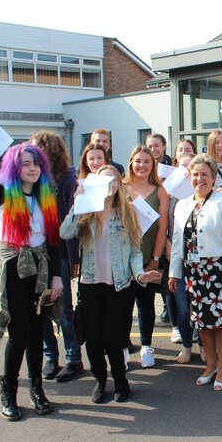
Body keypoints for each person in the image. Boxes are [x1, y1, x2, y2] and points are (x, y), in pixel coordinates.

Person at [0, 119, 63, 421]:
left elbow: (53, 241)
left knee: (39, 333)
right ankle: (8, 392)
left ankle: (37, 390)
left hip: (40, 270)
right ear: (14, 168)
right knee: (20, 334)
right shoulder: (2, 195)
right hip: (12, 270)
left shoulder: (45, 197)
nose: (32, 168)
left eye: (35, 164)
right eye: (25, 164)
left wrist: (58, 278)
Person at [60, 165, 160, 403]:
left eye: (113, 181)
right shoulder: (86, 212)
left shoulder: (128, 213)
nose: (109, 186)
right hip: (91, 285)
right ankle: (100, 380)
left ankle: (120, 380)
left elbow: (135, 252)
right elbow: (65, 233)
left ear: (119, 185)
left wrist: (139, 274)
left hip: (120, 286)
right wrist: (77, 203)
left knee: (113, 339)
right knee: (93, 340)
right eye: (103, 181)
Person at [168, 154, 222, 390]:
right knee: (201, 321)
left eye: (205, 175)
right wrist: (174, 273)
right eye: (196, 174)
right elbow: (178, 239)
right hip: (194, 271)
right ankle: (209, 364)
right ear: (190, 177)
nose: (200, 179)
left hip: (218, 270)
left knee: (221, 321)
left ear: (213, 177)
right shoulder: (182, 204)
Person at [31, 131, 84, 383]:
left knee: (64, 309)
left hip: (60, 252)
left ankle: (74, 359)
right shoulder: (33, 180)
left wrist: (74, 258)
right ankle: (50, 356)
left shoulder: (67, 180)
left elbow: (74, 220)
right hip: (36, 253)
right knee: (40, 307)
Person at [123, 146, 170, 368]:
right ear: (131, 162)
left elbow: (162, 228)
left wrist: (156, 257)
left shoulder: (160, 191)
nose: (142, 165)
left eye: (147, 162)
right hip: (121, 260)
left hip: (147, 257)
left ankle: (146, 346)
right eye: (138, 161)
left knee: (146, 304)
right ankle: (122, 346)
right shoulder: (120, 188)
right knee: (122, 306)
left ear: (153, 165)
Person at [164, 154, 199, 362]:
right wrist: (168, 246)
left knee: (201, 307)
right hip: (177, 258)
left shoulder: (205, 194)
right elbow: (164, 225)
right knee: (183, 309)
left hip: (202, 261)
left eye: (191, 166)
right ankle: (187, 346)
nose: (187, 170)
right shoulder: (169, 195)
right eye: (183, 166)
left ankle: (204, 345)